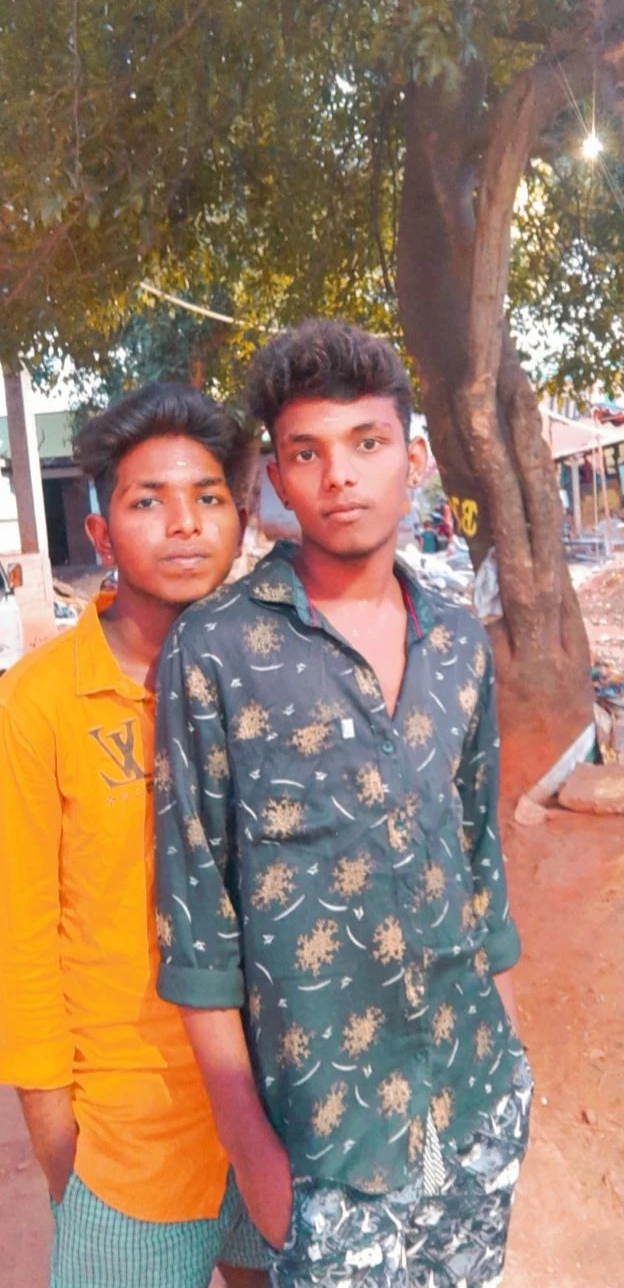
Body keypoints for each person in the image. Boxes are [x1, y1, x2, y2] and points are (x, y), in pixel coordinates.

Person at [154, 322, 533, 1288]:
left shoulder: (457, 641)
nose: (341, 476)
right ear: (279, 479)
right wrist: (256, 1160)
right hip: (327, 1153)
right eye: (307, 452)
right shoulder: (214, 654)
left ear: (413, 458)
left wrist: (511, 1072)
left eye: (367, 443)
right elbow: (197, 927)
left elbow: (479, 858)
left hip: (474, 1101)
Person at [0, 384, 269, 1288]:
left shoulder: (275, 680)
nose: (184, 523)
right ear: (102, 532)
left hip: (276, 1109)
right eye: (148, 500)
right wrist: (61, 1155)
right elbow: (22, 945)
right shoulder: (38, 705)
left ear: (241, 518)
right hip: (131, 1145)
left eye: (207, 496)